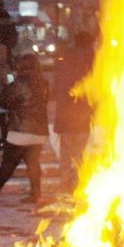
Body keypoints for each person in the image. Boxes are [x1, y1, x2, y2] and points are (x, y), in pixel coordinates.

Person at [0, 54, 49, 203]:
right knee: (33, 162)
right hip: (39, 130)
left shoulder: (19, 83)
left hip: (20, 129)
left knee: (9, 162)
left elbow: (4, 100)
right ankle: (36, 193)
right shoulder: (44, 83)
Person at [53, 32, 94, 190]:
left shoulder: (66, 59)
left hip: (65, 117)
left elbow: (59, 88)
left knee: (66, 154)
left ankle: (64, 183)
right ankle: (77, 185)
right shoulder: (91, 60)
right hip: (81, 118)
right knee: (79, 155)